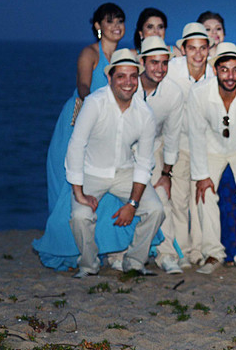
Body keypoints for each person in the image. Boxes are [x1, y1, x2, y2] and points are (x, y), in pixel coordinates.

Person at [33, 3, 139, 270]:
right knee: (71, 189)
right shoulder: (89, 53)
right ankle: (69, 248)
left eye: (120, 21)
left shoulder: (127, 54)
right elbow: (83, 85)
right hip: (81, 119)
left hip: (114, 124)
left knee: (111, 184)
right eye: (110, 21)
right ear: (98, 26)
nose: (116, 26)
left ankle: (108, 248)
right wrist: (94, 105)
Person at [67, 50, 165, 278]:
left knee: (156, 210)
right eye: (121, 76)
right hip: (92, 172)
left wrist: (132, 203)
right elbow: (76, 145)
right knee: (81, 216)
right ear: (110, 78)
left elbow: (143, 163)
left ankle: (135, 262)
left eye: (133, 76)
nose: (128, 83)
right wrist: (79, 192)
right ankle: (89, 265)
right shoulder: (94, 103)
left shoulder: (145, 113)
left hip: (126, 172)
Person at [187, 42, 236, 274]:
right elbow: (196, 135)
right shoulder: (199, 93)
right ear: (215, 70)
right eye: (224, 69)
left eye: (235, 70)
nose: (230, 76)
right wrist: (202, 176)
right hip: (211, 148)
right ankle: (213, 254)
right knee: (203, 192)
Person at [164, 22, 215, 266]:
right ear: (183, 49)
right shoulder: (171, 70)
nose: (197, 54)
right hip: (178, 145)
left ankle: (199, 251)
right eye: (192, 48)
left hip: (205, 146)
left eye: (202, 48)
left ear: (209, 49)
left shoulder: (216, 73)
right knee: (179, 201)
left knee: (201, 201)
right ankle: (181, 253)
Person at [136, 36, 185, 273]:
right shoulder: (126, 85)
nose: (160, 68)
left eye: (164, 63)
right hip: (124, 153)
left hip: (154, 150)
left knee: (162, 199)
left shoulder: (173, 93)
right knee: (121, 199)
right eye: (154, 62)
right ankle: (122, 254)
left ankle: (167, 255)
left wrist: (167, 172)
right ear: (142, 61)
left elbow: (172, 136)